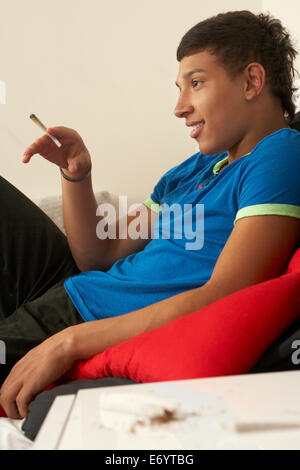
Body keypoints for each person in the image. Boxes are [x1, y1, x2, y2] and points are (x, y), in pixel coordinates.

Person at [1, 9, 300, 420]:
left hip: (86, 317)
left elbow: (226, 296)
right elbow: (99, 255)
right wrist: (77, 177)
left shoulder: (280, 154)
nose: (179, 107)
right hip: (75, 287)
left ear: (252, 81)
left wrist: (68, 342)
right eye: (179, 88)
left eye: (195, 84)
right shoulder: (195, 167)